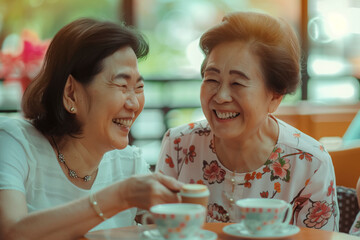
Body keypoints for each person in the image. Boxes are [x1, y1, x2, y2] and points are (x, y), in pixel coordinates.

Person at [0, 18, 183, 240]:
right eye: (122, 85)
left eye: (139, 87)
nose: (134, 104)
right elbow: (11, 232)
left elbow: (170, 227)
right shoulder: (15, 141)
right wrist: (120, 196)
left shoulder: (128, 164)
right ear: (71, 93)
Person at [156, 11, 339, 231]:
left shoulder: (310, 163)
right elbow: (158, 231)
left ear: (274, 96)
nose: (221, 96)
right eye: (212, 79)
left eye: (237, 83)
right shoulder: (178, 145)